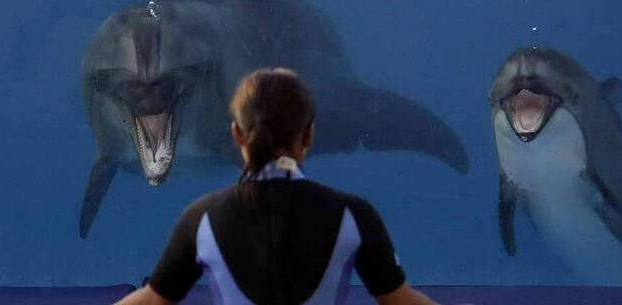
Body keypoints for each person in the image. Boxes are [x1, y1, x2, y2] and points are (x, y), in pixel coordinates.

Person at [115, 67, 436, 305]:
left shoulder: (202, 218)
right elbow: (401, 301)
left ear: (237, 134)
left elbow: (152, 301)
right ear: (309, 135)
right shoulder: (354, 215)